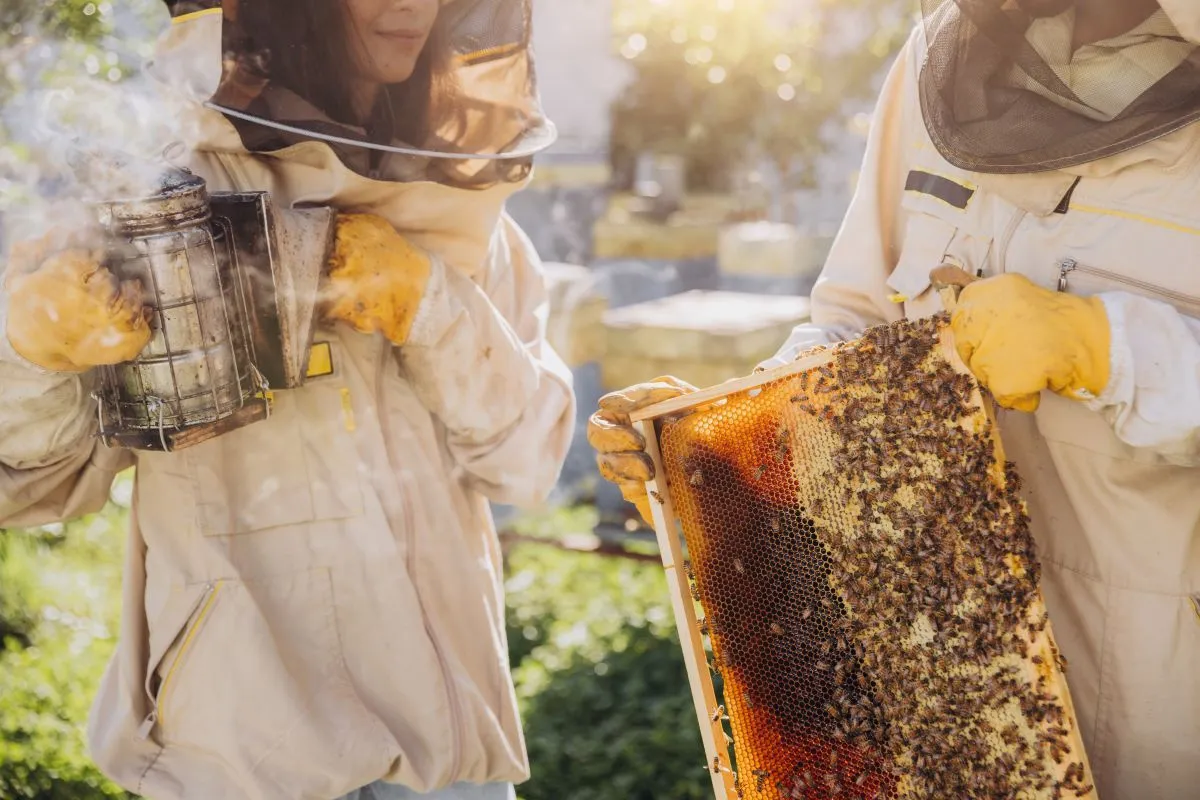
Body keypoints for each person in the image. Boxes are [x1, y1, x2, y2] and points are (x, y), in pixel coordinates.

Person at [591, 1, 1200, 798]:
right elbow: (857, 322)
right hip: (930, 682)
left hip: (1162, 710)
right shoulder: (934, 63)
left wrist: (1111, 350)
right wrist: (723, 439)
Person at [0, 1, 574, 799]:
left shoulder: (460, 201)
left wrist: (429, 306)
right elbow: (28, 483)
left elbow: (527, 461)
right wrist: (30, 353)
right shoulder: (149, 194)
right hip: (245, 766)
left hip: (448, 768)